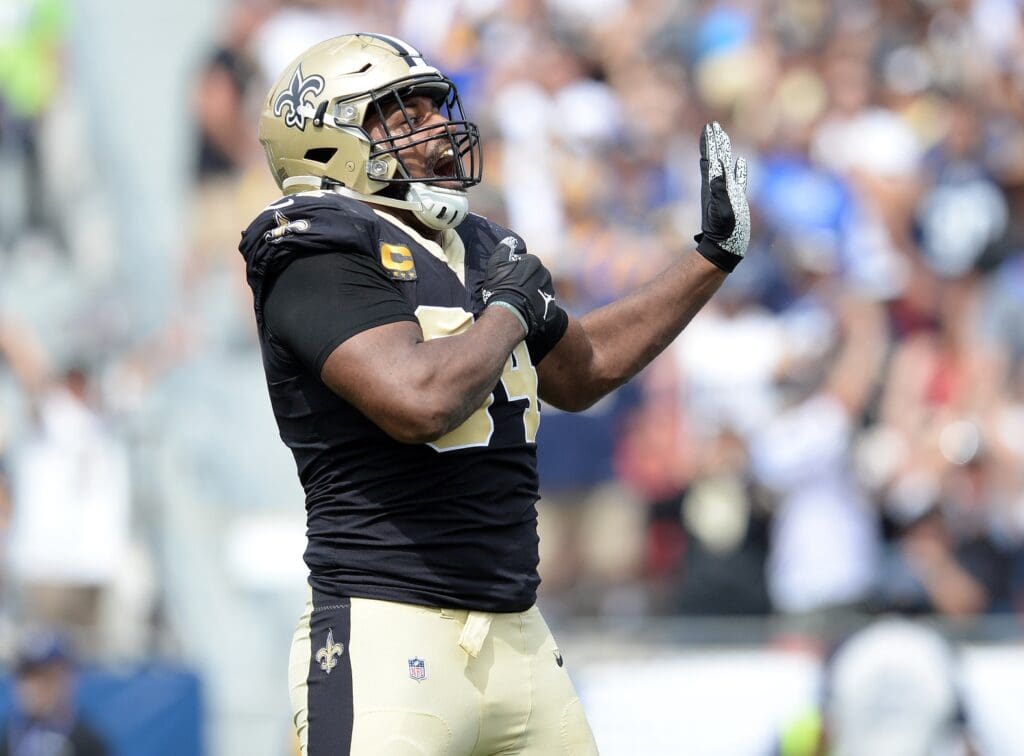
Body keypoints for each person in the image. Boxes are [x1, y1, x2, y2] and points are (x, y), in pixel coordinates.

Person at [238, 33, 749, 755]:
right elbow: (417, 401)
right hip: (388, 632)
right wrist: (508, 309)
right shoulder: (314, 250)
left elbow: (584, 368)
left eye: (433, 106)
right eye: (404, 112)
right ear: (328, 141)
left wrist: (712, 257)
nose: (437, 127)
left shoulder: (478, 246)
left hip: (520, 636)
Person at [0, 632, 110, 756]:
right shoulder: (9, 734)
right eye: (29, 678)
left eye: (48, 678)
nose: (35, 688)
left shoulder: (87, 740)